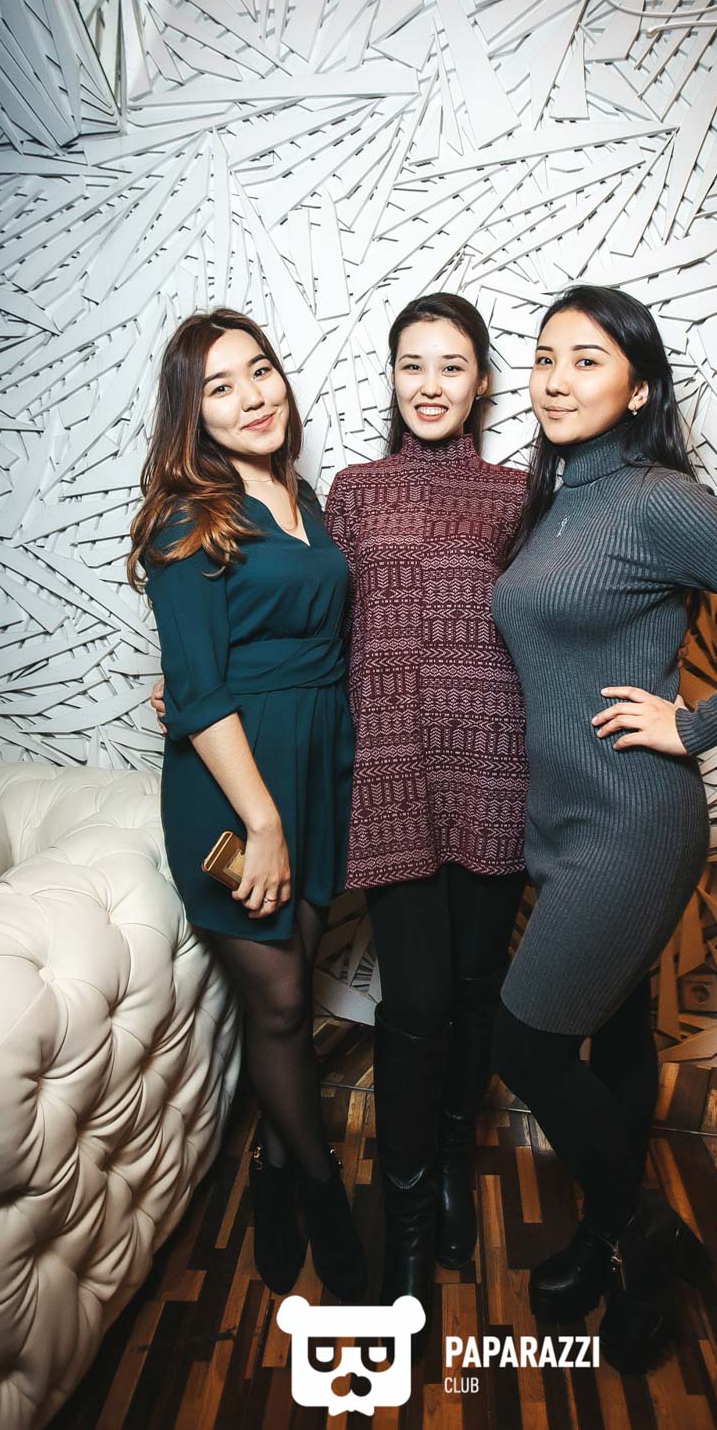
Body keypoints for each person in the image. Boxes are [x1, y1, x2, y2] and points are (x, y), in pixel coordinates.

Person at [490, 285, 717, 1373]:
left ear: (639, 388)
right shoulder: (554, 501)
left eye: (586, 360)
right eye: (544, 357)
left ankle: (641, 1234)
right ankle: (610, 1235)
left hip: (633, 824)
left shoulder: (658, 501)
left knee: (525, 1045)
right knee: (617, 1038)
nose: (555, 380)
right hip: (561, 824)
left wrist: (692, 726)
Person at [128, 308, 367, 1306]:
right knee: (277, 1004)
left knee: (295, 983)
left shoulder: (302, 497)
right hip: (235, 792)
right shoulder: (188, 519)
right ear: (194, 415)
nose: (252, 397)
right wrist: (262, 823)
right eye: (220, 387)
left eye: (260, 371)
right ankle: (321, 1199)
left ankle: (272, 1166)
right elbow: (198, 688)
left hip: (317, 765)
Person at [323, 294, 529, 1350]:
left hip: (494, 771)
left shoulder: (519, 495)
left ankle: (451, 1167)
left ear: (482, 381)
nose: (432, 384)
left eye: (452, 365)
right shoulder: (353, 492)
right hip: (393, 776)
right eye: (413, 364)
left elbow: (557, 622)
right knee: (413, 1004)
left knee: (476, 989)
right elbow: (317, 625)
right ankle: (405, 1221)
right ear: (393, 376)